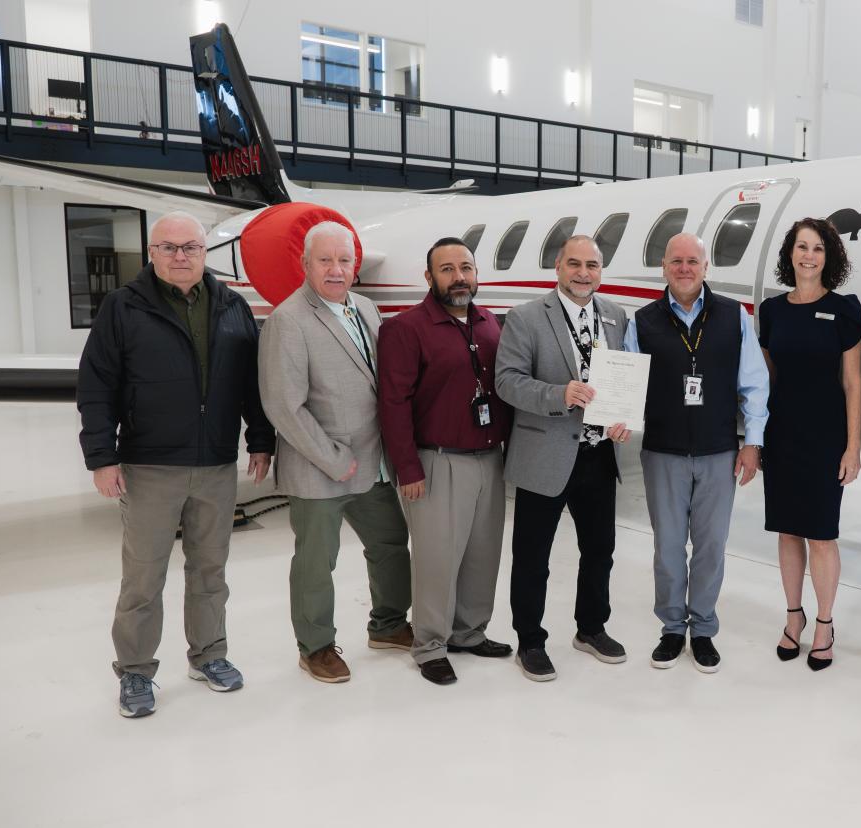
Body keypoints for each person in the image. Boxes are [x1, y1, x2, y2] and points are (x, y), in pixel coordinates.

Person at [77, 210, 273, 718]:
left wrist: (261, 438)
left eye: (190, 247)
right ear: (152, 253)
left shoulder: (232, 307)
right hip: (149, 465)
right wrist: (102, 457)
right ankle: (136, 671)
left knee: (211, 569)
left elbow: (250, 383)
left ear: (205, 253)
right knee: (144, 576)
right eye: (168, 247)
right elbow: (96, 387)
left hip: (214, 464)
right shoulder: (123, 308)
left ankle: (209, 655)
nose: (180, 256)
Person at [258, 221, 413, 684]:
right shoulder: (289, 320)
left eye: (344, 260)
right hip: (320, 467)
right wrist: (332, 458)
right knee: (315, 562)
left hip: (372, 462)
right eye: (325, 260)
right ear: (305, 264)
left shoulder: (366, 309)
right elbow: (283, 406)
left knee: (389, 544)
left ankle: (387, 624)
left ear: (356, 266)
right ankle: (316, 647)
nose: (336, 269)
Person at [623, 232, 770, 673]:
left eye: (693, 261)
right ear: (664, 268)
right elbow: (629, 384)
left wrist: (753, 444)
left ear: (706, 267)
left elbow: (754, 384)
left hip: (718, 452)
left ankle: (703, 628)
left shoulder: (733, 315)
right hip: (662, 453)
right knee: (668, 548)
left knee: (710, 546)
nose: (684, 269)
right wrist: (617, 416)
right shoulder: (643, 321)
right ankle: (672, 628)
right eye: (676, 262)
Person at [494, 235, 631, 682]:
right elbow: (507, 382)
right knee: (533, 555)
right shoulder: (526, 317)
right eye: (575, 264)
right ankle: (530, 641)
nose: (584, 273)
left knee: (600, 551)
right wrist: (558, 394)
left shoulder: (614, 315)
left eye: (592, 265)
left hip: (598, 455)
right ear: (558, 266)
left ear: (601, 270)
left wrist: (622, 417)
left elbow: (623, 380)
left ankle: (591, 629)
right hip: (545, 455)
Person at [378, 237, 513, 686]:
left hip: (489, 458)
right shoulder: (406, 328)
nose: (459, 277)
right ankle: (430, 643)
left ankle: (469, 633)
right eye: (448, 269)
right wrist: (407, 468)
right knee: (436, 559)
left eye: (467, 268)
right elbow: (393, 404)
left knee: (482, 554)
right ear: (430, 277)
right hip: (436, 461)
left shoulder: (490, 323)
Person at [758, 217, 861, 671]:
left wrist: (853, 446)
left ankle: (824, 622)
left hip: (826, 438)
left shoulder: (844, 309)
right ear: (789, 254)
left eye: (818, 248)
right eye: (802, 247)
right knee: (787, 530)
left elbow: (853, 383)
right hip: (782, 433)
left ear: (830, 258)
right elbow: (764, 378)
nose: (809, 255)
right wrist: (755, 434)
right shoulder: (771, 310)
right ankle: (793, 616)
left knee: (821, 534)